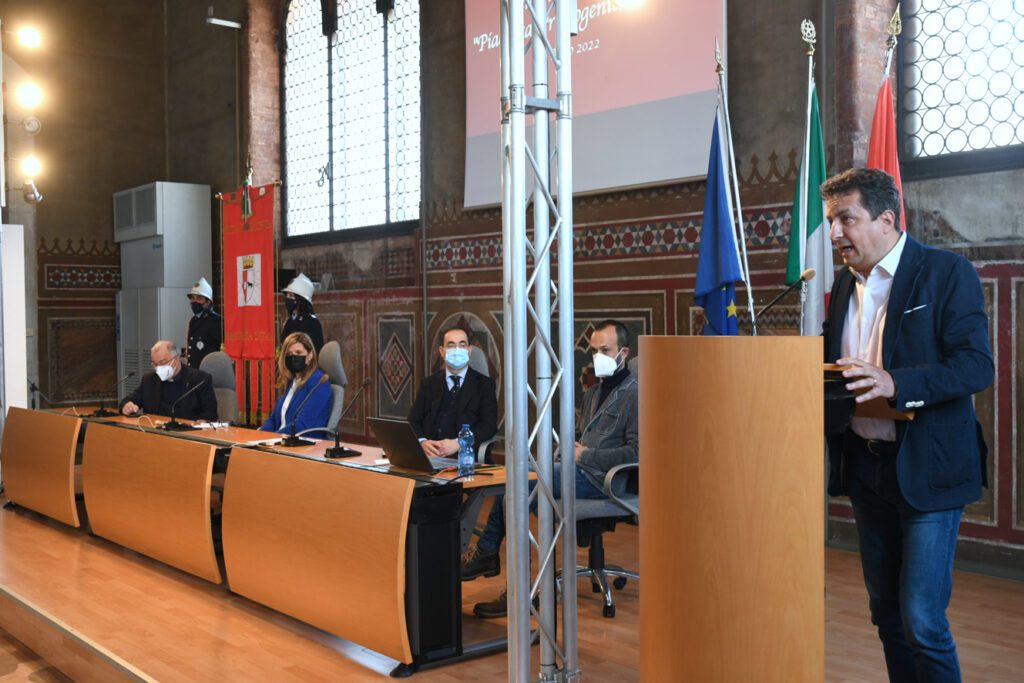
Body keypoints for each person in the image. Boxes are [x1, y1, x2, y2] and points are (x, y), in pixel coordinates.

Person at [821, 168, 993, 682]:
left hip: (927, 467)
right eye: (831, 222)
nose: (834, 233)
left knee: (922, 621)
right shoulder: (842, 284)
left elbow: (975, 366)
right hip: (866, 469)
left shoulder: (946, 272)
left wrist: (896, 382)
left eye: (845, 219)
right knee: (887, 615)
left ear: (886, 219)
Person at [462, 319, 639, 618]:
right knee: (515, 483)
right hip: (577, 470)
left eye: (605, 350)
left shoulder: (635, 394)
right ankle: (496, 562)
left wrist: (586, 455)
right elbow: (583, 438)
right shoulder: (594, 392)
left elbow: (637, 452)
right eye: (594, 350)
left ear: (624, 352)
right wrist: (571, 450)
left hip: (604, 480)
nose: (598, 357)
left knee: (516, 487)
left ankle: (511, 580)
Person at [407, 325, 498, 457]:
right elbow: (413, 421)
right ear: (442, 351)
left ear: (469, 350)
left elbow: (489, 426)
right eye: (451, 345)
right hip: (430, 457)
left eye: (462, 345)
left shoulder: (484, 385)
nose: (457, 350)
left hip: (465, 458)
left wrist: (460, 443)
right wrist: (422, 442)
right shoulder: (429, 383)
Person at [120, 340, 218, 421]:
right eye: (155, 364)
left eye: (162, 362)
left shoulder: (199, 379)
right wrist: (126, 406)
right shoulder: (149, 379)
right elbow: (128, 400)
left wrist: (198, 423)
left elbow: (210, 414)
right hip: (155, 433)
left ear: (176, 359)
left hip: (186, 433)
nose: (158, 368)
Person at [260, 332, 332, 439]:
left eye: (298, 353)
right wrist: (260, 435)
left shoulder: (319, 383)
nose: (293, 357)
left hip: (304, 444)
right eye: (289, 354)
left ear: (310, 355)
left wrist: (273, 438)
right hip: (280, 441)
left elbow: (302, 424)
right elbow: (274, 419)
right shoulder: (291, 381)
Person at [281, 273, 324, 353]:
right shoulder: (289, 322)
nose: (287, 299)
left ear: (301, 300)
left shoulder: (312, 323)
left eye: (291, 296)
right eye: (287, 296)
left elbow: (316, 352)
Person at [185, 277, 222, 369]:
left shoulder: (216, 321)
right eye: (192, 298)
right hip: (194, 370)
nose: (194, 301)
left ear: (208, 302)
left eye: (199, 298)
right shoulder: (193, 320)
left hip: (208, 371)